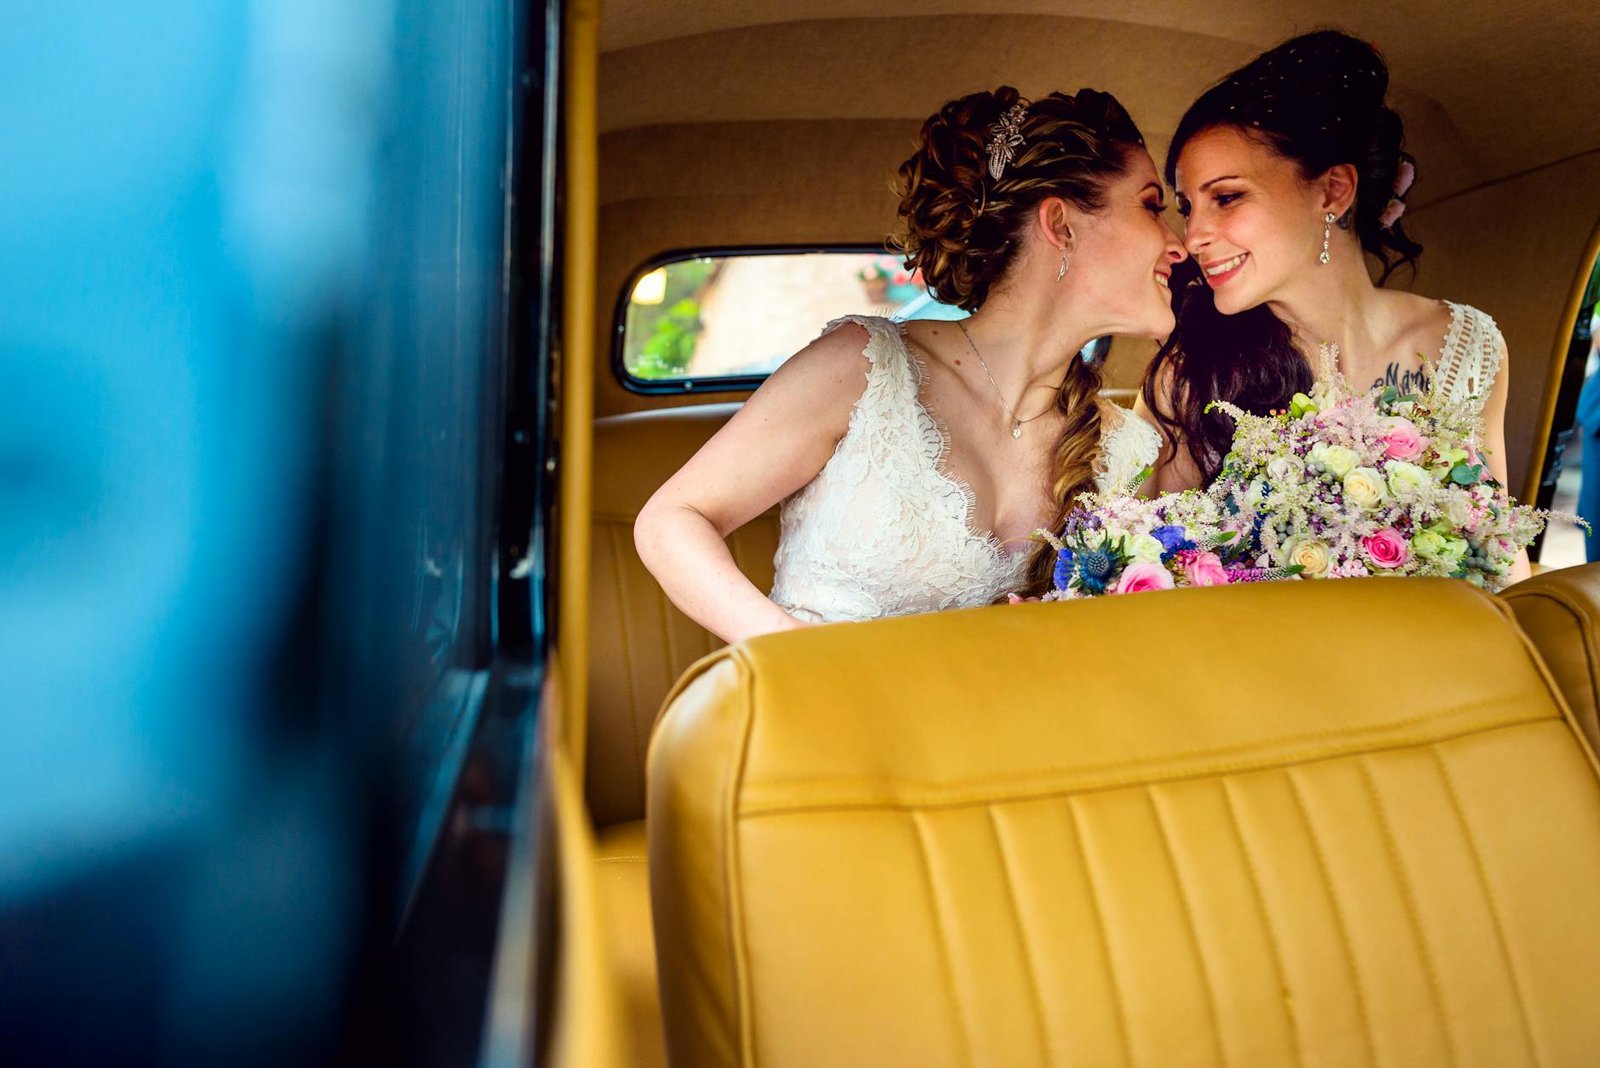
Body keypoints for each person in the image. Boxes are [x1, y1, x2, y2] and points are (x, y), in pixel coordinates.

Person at [634, 86, 1186, 641]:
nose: (1178, 244)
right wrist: (797, 661)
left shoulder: (1123, 453)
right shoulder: (866, 370)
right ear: (1061, 225)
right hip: (813, 712)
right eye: (1151, 206)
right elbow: (671, 521)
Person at [1138, 30, 1527, 582]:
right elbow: (1156, 582)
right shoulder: (1191, 369)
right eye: (1186, 206)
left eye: (1225, 197)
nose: (1194, 234)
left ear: (1332, 192)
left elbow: (1499, 555)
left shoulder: (1471, 345)